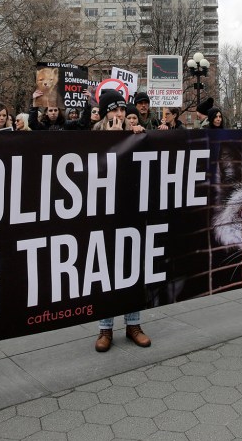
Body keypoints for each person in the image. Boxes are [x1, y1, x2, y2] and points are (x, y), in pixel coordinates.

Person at [92, 90, 152, 352]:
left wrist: (136, 138)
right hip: (105, 211)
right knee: (106, 268)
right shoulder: (94, 133)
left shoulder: (135, 131)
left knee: (132, 266)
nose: (119, 114)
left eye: (121, 110)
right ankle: (105, 329)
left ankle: (133, 324)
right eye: (114, 110)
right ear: (106, 112)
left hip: (131, 208)